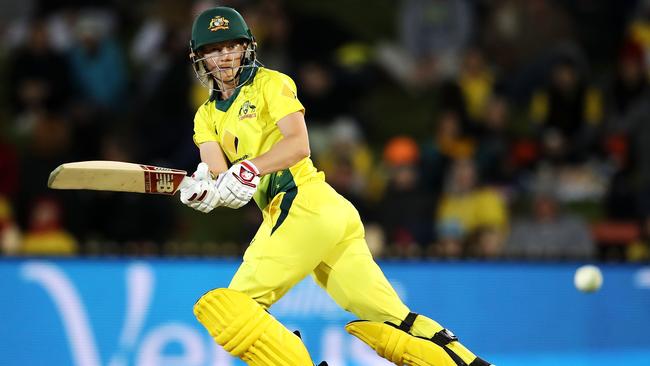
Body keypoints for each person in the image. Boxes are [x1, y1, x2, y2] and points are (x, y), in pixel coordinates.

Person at [180, 7, 493, 366]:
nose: (224, 57)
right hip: (323, 215)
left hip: (301, 205)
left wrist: (250, 168)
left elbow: (298, 145)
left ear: (246, 47)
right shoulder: (205, 116)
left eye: (231, 47)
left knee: (230, 309)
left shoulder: (271, 83)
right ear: (199, 57)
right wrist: (204, 190)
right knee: (392, 319)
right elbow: (224, 181)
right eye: (213, 50)